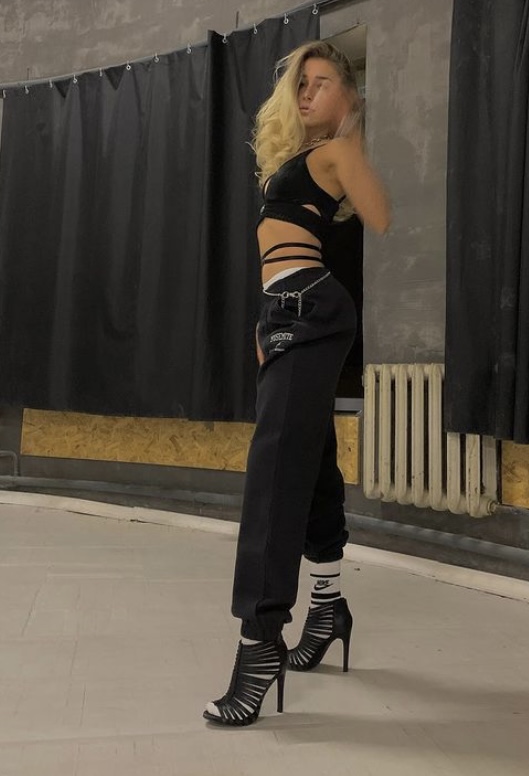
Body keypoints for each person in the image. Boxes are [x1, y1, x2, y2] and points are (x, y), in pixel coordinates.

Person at [203, 40, 390, 727]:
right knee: (308, 460)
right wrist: (265, 322)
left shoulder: (337, 152)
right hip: (283, 311)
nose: (308, 93)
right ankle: (329, 605)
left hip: (308, 307)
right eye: (301, 84)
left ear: (347, 94)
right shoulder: (298, 161)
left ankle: (259, 645)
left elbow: (380, 215)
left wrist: (352, 137)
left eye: (322, 82)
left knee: (274, 470)